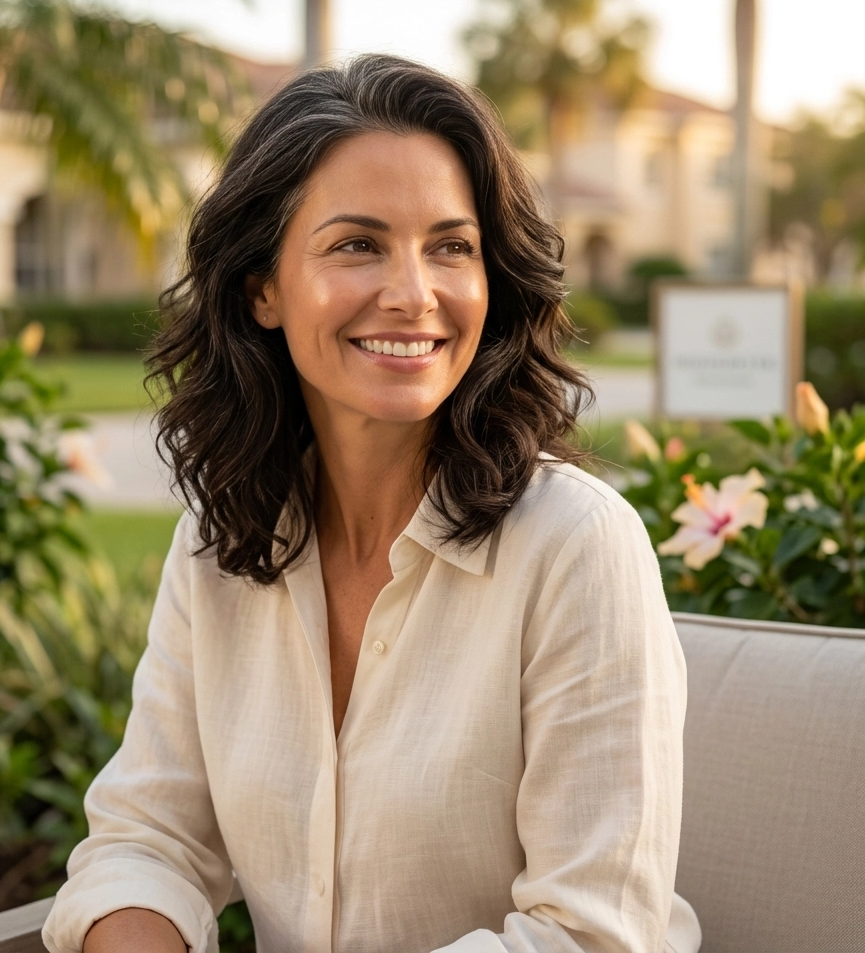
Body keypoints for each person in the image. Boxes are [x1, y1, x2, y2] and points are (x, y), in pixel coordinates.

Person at [42, 55, 701, 953]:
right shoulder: (221, 538)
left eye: (451, 246)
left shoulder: (577, 546)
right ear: (261, 288)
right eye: (358, 244)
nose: (413, 293)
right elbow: (147, 839)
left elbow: (588, 934)